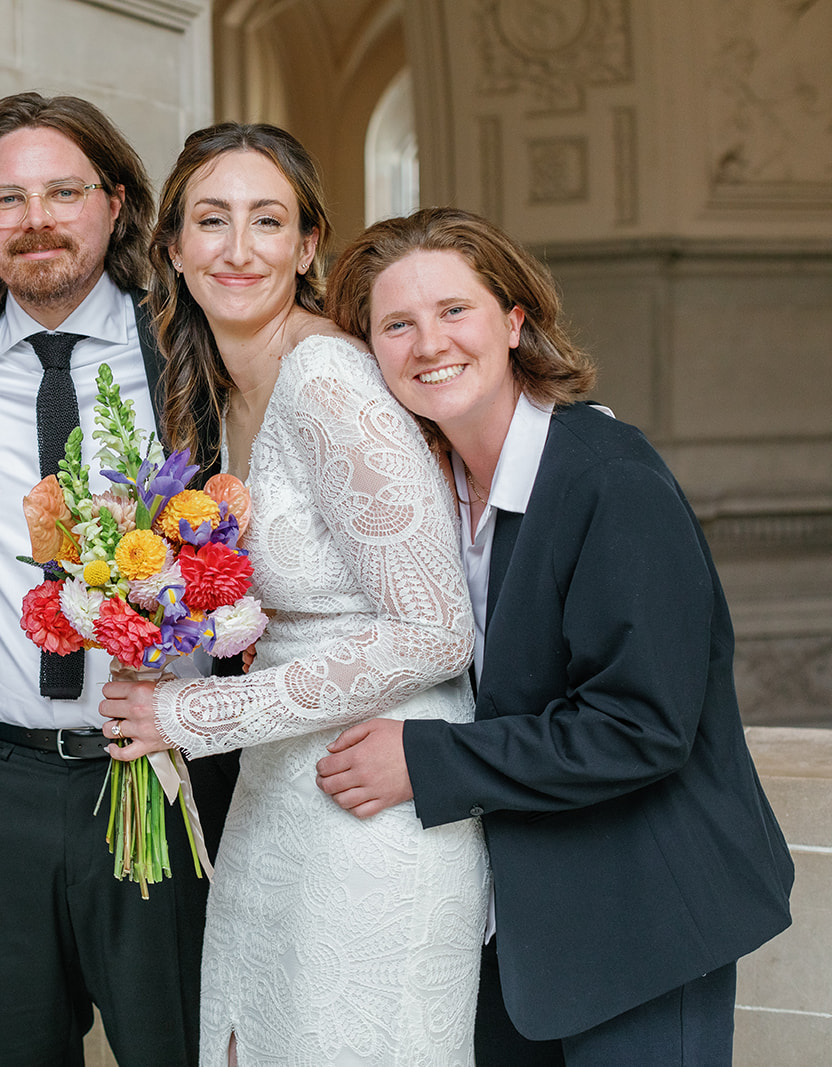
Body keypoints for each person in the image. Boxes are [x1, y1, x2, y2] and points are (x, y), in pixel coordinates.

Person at [315, 207, 795, 1065]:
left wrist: (426, 761)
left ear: (513, 322)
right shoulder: (430, 497)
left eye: (455, 311)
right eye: (398, 323)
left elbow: (639, 725)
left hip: (641, 922)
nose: (429, 343)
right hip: (514, 932)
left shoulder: (609, 477)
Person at [99, 124, 489, 1066]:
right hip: (278, 792)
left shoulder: (331, 380)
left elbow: (440, 630)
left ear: (308, 245)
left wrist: (191, 711)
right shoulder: (214, 392)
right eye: (212, 221)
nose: (238, 249)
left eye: (267, 221)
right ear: (175, 249)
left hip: (374, 800)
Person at [0, 91, 236, 1066]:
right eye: (5, 197)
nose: (34, 218)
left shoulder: (191, 350)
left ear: (119, 203)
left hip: (157, 779)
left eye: (61, 190)